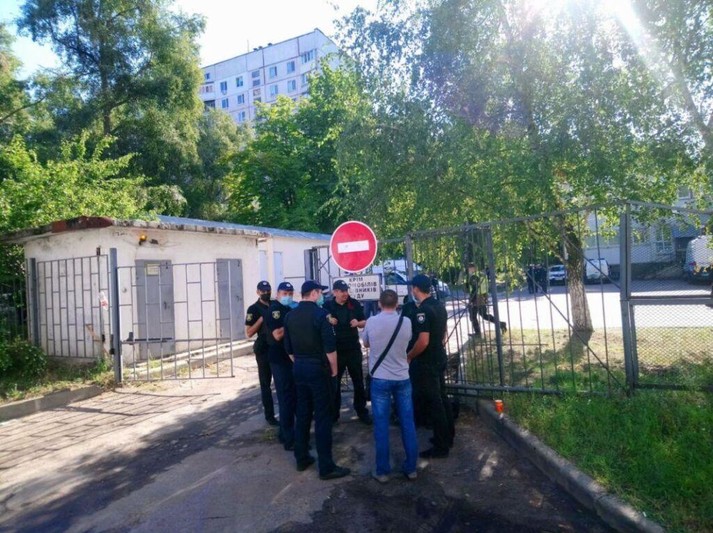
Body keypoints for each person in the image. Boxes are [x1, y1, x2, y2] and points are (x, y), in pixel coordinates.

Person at [284, 280, 350, 480]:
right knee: (323, 417)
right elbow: (330, 348)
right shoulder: (321, 315)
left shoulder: (290, 316)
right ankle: (326, 466)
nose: (322, 295)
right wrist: (334, 371)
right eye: (320, 292)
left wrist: (300, 363)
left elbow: (289, 349)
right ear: (313, 293)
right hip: (318, 369)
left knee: (303, 413)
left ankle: (301, 457)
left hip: (299, 367)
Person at [361, 289, 417, 482]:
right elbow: (408, 341)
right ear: (397, 304)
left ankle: (383, 471)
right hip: (402, 377)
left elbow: (366, 344)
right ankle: (411, 468)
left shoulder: (371, 322)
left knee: (381, 424)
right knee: (408, 422)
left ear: (379, 303)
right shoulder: (406, 322)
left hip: (380, 379)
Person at [407, 274, 455, 459]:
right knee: (442, 397)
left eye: (412, 288)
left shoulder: (423, 311)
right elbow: (442, 333)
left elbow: (423, 341)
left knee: (435, 403)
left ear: (416, 289)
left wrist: (409, 356)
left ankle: (441, 446)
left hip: (427, 361)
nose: (412, 291)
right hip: (439, 356)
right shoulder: (439, 305)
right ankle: (447, 436)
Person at [323, 280, 371, 425]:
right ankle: (334, 414)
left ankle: (361, 411)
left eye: (346, 290)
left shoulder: (354, 303)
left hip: (353, 349)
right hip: (336, 351)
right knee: (334, 383)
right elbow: (322, 318)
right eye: (342, 291)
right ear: (335, 292)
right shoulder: (328, 305)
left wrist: (358, 323)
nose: (345, 293)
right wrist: (329, 318)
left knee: (358, 382)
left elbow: (365, 321)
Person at [266, 281, 297, 451]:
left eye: (290, 293)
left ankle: (284, 433)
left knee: (292, 398)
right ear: (278, 294)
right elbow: (277, 335)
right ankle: (289, 439)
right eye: (285, 293)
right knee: (286, 399)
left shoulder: (289, 308)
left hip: (290, 358)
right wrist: (291, 322)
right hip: (280, 359)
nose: (288, 296)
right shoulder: (275, 310)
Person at [244, 281, 277, 426]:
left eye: (268, 290)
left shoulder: (275, 304)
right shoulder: (253, 309)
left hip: (277, 348)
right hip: (263, 349)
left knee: (283, 383)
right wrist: (261, 320)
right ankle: (270, 416)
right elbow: (249, 333)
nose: (266, 293)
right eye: (263, 291)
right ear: (258, 292)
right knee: (265, 384)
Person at [467, 263, 506, 337]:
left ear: (473, 268)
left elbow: (474, 289)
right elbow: (486, 287)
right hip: (483, 296)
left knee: (473, 316)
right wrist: (485, 297)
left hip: (476, 298)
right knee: (484, 315)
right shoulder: (482, 275)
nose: (468, 270)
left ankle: (478, 333)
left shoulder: (474, 276)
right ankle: (501, 324)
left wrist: (471, 300)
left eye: (469, 269)